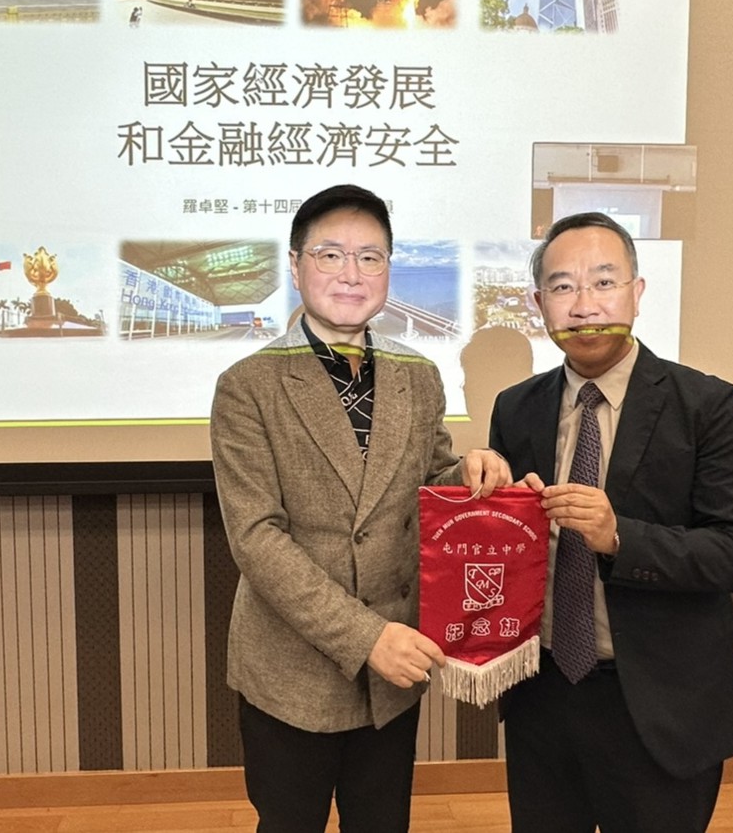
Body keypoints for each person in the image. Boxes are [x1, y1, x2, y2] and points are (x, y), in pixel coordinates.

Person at [211, 183, 511, 832]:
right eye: (330, 254)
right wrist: (368, 638)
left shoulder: (417, 375)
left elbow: (424, 483)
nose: (351, 273)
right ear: (296, 266)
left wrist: (468, 474)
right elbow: (257, 538)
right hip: (292, 671)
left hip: (393, 673)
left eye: (370, 257)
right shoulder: (247, 386)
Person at [484, 211, 733, 833]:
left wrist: (619, 538)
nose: (584, 305)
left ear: (637, 294)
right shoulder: (516, 408)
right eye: (562, 286)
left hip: (661, 703)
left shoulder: (707, 405)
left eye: (604, 282)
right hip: (543, 696)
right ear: (538, 303)